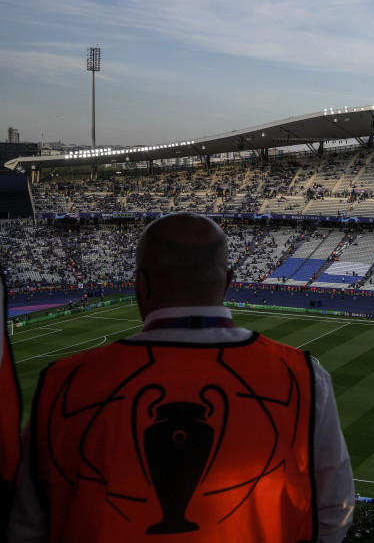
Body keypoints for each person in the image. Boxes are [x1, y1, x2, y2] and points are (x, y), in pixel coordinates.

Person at [7, 213, 355, 542]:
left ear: (141, 284)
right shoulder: (303, 376)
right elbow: (333, 512)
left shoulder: (62, 384)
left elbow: (25, 525)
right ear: (229, 282)